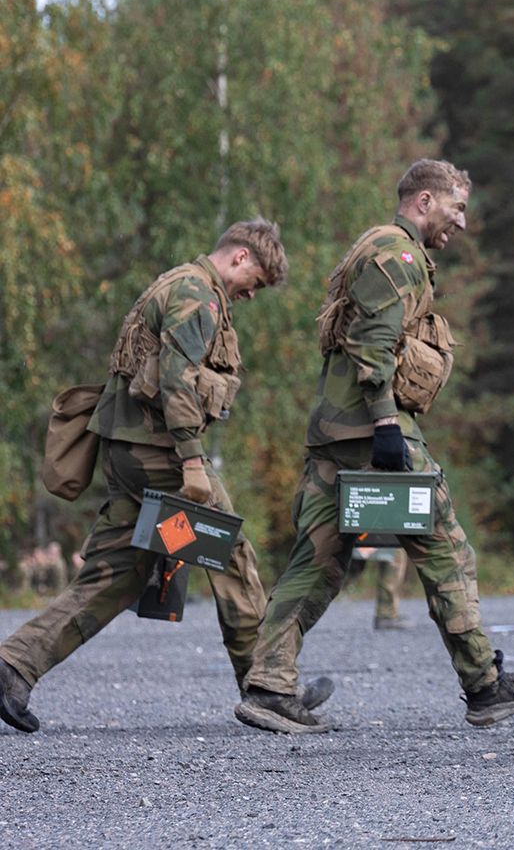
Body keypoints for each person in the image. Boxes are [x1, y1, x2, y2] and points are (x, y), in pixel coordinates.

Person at [234, 159, 514, 734]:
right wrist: (387, 425)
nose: (461, 222)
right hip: (370, 429)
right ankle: (485, 685)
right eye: (456, 208)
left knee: (318, 560)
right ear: (425, 200)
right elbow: (374, 342)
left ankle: (268, 684)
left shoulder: (382, 248)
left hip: (336, 431)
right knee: (445, 548)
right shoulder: (398, 254)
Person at [0, 220, 332, 734]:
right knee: (230, 551)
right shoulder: (198, 295)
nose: (253, 293)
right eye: (257, 281)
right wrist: (194, 462)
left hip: (131, 453)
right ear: (241, 257)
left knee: (117, 574)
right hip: (162, 457)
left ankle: (12, 667)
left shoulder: (177, 282)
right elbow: (177, 381)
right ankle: (267, 687)